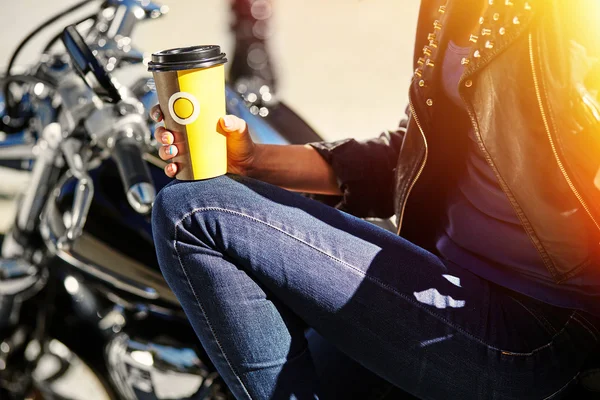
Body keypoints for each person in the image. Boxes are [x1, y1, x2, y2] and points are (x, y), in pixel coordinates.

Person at [150, 0, 600, 398]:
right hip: (444, 273)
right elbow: (409, 157)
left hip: (538, 328)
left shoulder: (573, 18)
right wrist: (252, 160)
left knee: (193, 213)